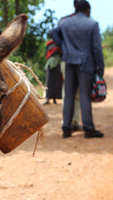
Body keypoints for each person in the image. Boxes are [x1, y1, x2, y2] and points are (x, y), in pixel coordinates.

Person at [51, 0, 105, 138]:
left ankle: (66, 128)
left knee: (68, 96)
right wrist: (100, 67)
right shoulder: (92, 24)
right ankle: (88, 129)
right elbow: (97, 49)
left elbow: (53, 33)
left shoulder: (65, 22)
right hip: (86, 64)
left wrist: (64, 47)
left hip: (69, 61)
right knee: (84, 96)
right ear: (88, 10)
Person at [59, 0, 81, 131]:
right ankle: (67, 121)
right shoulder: (65, 20)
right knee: (69, 93)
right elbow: (55, 35)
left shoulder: (65, 20)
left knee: (75, 93)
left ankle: (74, 121)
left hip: (76, 62)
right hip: (68, 61)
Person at [43, 38, 63, 105]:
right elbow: (47, 54)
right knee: (49, 81)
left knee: (57, 81)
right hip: (50, 64)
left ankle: (54, 98)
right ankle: (47, 98)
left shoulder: (61, 43)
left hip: (58, 64)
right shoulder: (49, 44)